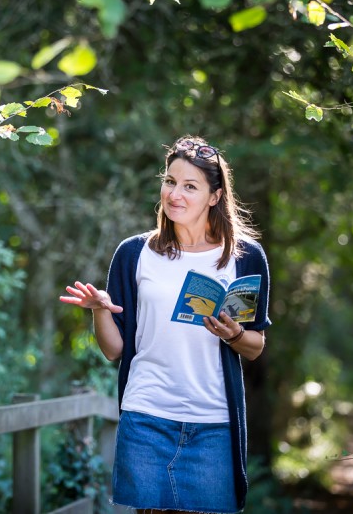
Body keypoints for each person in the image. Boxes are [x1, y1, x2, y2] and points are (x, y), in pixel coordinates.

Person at [60, 135, 271, 514]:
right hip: (146, 417)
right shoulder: (134, 253)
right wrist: (100, 309)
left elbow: (255, 346)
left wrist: (234, 333)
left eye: (190, 186)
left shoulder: (245, 256)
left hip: (214, 424)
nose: (175, 194)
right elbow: (115, 350)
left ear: (214, 196)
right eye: (170, 181)